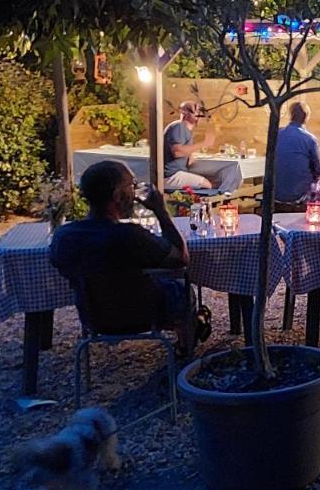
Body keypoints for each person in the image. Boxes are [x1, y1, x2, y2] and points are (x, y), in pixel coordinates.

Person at [49, 161, 194, 353]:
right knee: (183, 288)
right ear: (117, 196)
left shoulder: (64, 237)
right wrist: (161, 211)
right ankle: (187, 348)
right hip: (146, 314)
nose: (134, 193)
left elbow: (60, 264)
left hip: (94, 317)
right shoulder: (130, 235)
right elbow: (181, 259)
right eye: (132, 186)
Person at [163, 101, 235, 192]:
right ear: (184, 113)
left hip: (178, 173)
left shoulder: (186, 131)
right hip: (172, 176)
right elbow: (177, 152)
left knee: (216, 179)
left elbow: (187, 159)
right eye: (196, 109)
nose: (200, 113)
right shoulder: (178, 126)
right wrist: (204, 143)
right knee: (211, 185)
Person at [272, 101, 320, 209]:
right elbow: (318, 169)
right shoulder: (309, 139)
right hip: (300, 194)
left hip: (275, 193)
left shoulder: (276, 134)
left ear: (290, 115)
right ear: (306, 117)